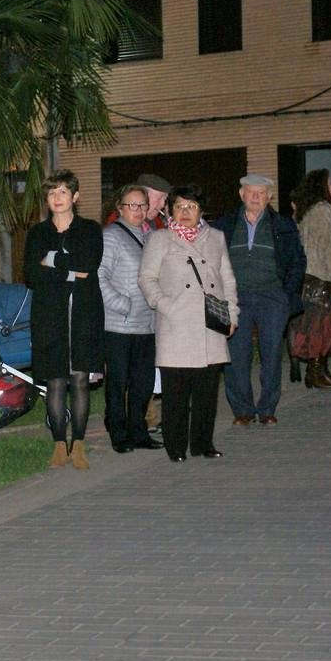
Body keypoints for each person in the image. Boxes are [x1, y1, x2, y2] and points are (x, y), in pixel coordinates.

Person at [138, 185, 237, 461]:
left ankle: (203, 444)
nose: (185, 212)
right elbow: (146, 278)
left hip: (210, 325)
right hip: (175, 326)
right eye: (179, 206)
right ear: (170, 210)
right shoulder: (159, 239)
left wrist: (232, 316)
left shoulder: (216, 238)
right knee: (176, 396)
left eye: (191, 207)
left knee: (206, 394)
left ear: (201, 211)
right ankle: (176, 447)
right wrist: (165, 304)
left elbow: (227, 280)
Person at [24, 170, 103, 470]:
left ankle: (79, 444)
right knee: (55, 380)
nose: (57, 198)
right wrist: (69, 270)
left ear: (75, 196)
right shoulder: (37, 233)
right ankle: (59, 444)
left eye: (62, 192)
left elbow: (88, 265)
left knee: (80, 379)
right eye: (51, 193)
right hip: (49, 315)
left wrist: (51, 261)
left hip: (83, 314)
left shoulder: (90, 229)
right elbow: (31, 275)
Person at [213, 175, 306, 426]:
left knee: (272, 353)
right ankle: (242, 410)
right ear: (241, 194)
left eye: (261, 193)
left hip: (272, 297)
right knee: (235, 354)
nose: (255, 197)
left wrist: (285, 295)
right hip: (235, 297)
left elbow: (298, 262)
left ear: (269, 197)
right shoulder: (224, 225)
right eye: (250, 192)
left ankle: (267, 409)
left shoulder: (283, 225)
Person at [98, 184, 162, 453]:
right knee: (118, 381)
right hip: (118, 325)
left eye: (142, 205)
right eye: (131, 205)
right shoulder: (111, 236)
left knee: (143, 382)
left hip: (147, 324)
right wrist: (121, 305)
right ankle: (119, 433)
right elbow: (99, 276)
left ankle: (139, 432)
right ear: (120, 208)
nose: (137, 210)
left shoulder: (153, 237)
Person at [289, 169, 331, 389]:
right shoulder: (321, 211)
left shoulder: (320, 210)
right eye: (330, 184)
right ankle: (314, 373)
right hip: (324, 280)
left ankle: (322, 370)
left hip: (324, 279)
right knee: (321, 328)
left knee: (326, 328)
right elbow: (323, 248)